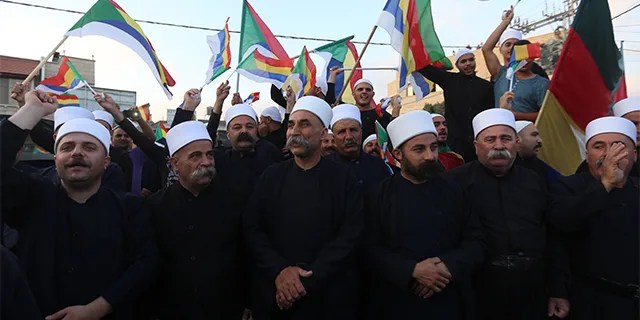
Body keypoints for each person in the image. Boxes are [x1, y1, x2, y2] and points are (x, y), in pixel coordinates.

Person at [1, 90, 159, 319]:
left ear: (106, 163)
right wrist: (31, 111)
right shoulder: (32, 197)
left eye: (89, 147)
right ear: (55, 160)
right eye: (67, 147)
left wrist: (98, 308)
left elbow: (146, 263)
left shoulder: (129, 208)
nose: (76, 153)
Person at [244, 96, 363, 319]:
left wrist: (307, 279)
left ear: (323, 133)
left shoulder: (344, 179)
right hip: (277, 294)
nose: (294, 131)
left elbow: (350, 236)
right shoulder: (271, 176)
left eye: (305, 124)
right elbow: (253, 229)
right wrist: (279, 271)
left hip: (328, 297)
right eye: (291, 125)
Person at [447, 109, 568, 320]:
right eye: (490, 139)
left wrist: (558, 290)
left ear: (517, 142)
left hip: (532, 288)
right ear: (476, 146)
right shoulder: (455, 183)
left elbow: (552, 236)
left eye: (506, 138)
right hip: (479, 290)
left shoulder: (535, 181)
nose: (499, 146)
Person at [363, 110, 485, 319]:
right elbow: (367, 248)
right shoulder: (378, 196)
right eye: (419, 149)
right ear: (398, 154)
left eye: (433, 147)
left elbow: (476, 242)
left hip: (450, 298)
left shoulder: (456, 190)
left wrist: (447, 267)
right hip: (397, 301)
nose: (430, 156)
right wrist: (412, 271)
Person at [145, 120, 248, 319]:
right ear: (175, 164)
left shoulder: (236, 201)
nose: (206, 162)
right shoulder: (154, 206)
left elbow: (246, 255)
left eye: (209, 155)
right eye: (195, 156)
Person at [549, 116, 638, 319]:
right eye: (599, 146)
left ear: (634, 155)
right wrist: (606, 183)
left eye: (618, 146)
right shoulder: (566, 187)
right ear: (587, 155)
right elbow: (563, 223)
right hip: (590, 302)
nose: (607, 155)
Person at [417, 49, 494, 161]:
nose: (468, 64)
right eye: (463, 61)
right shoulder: (449, 80)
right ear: (457, 65)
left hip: (479, 141)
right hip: (455, 143)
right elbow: (425, 69)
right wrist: (413, 48)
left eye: (471, 60)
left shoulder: (486, 86)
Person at [482, 8, 549, 121]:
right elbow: (486, 49)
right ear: (513, 56)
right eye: (519, 56)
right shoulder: (501, 74)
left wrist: (514, 115)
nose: (523, 61)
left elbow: (546, 115)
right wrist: (505, 22)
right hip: (501, 130)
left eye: (527, 57)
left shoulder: (542, 83)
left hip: (526, 134)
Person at [327, 104, 390, 190]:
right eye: (342, 132)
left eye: (353, 130)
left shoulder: (379, 166)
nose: (349, 137)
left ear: (361, 132)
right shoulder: (323, 168)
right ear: (334, 137)